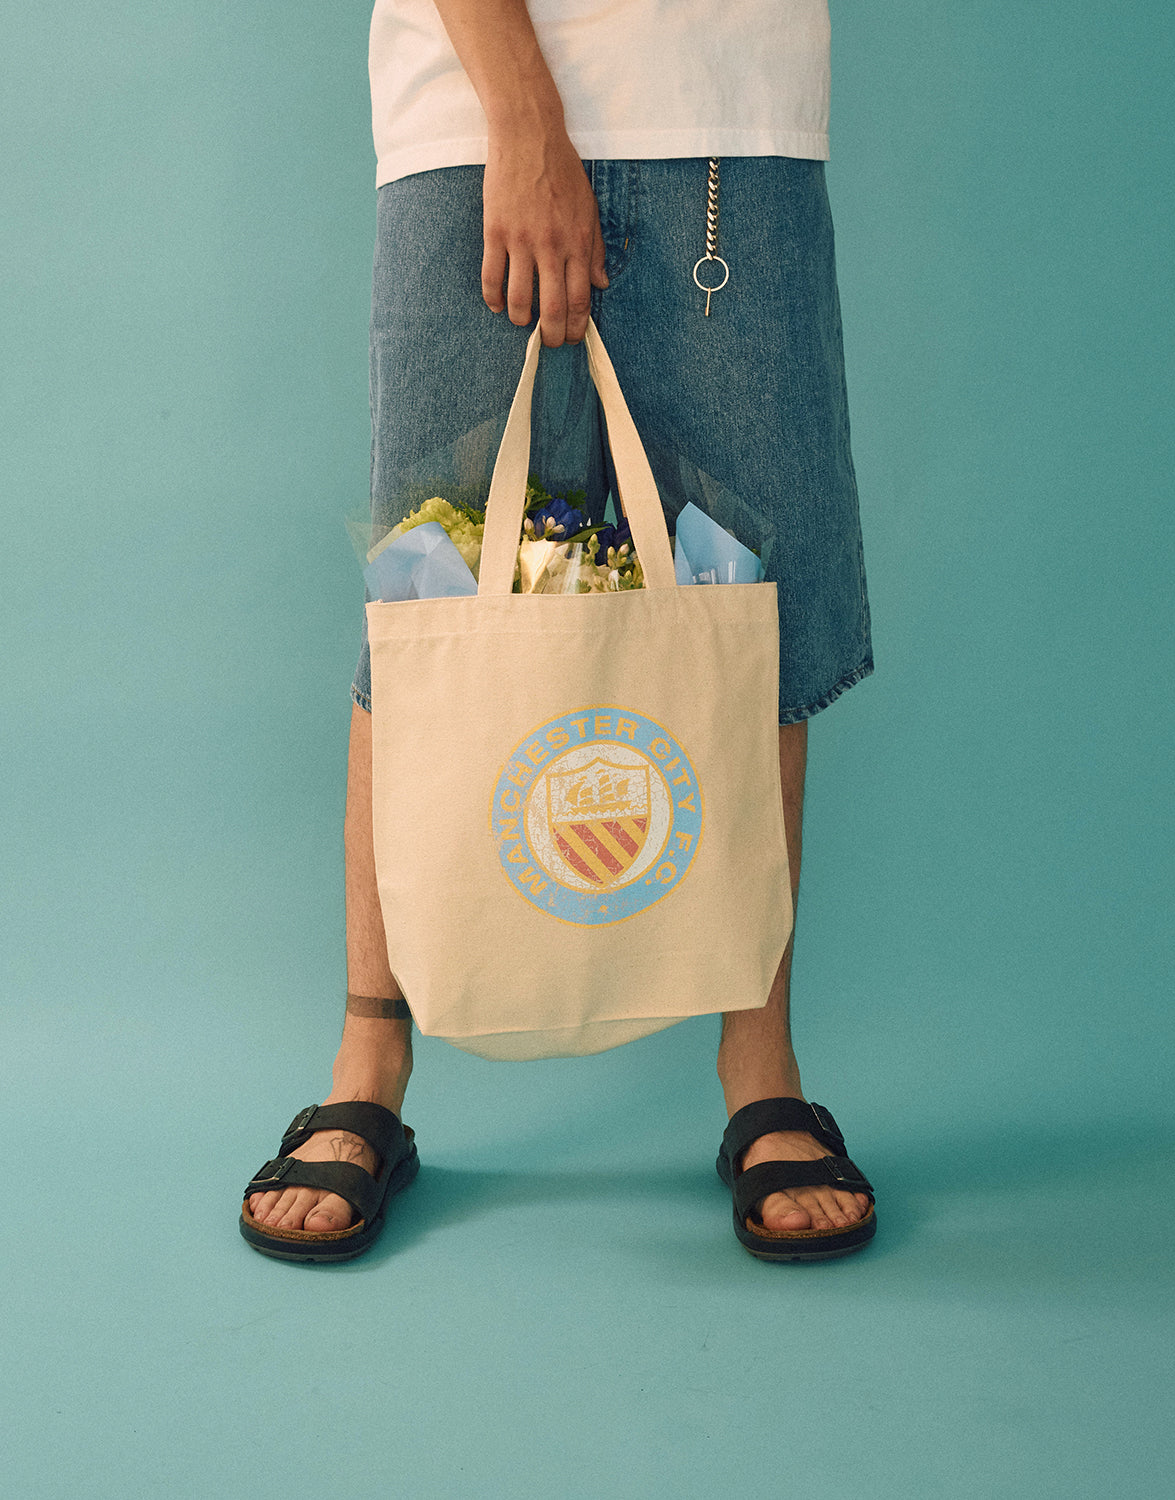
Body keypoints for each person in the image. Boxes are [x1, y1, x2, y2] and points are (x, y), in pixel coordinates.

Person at [241, 0, 877, 1263]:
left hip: (733, 114)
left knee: (744, 607)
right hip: (470, 119)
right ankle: (368, 1065)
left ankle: (765, 1075)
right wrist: (524, 116)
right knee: (429, 597)